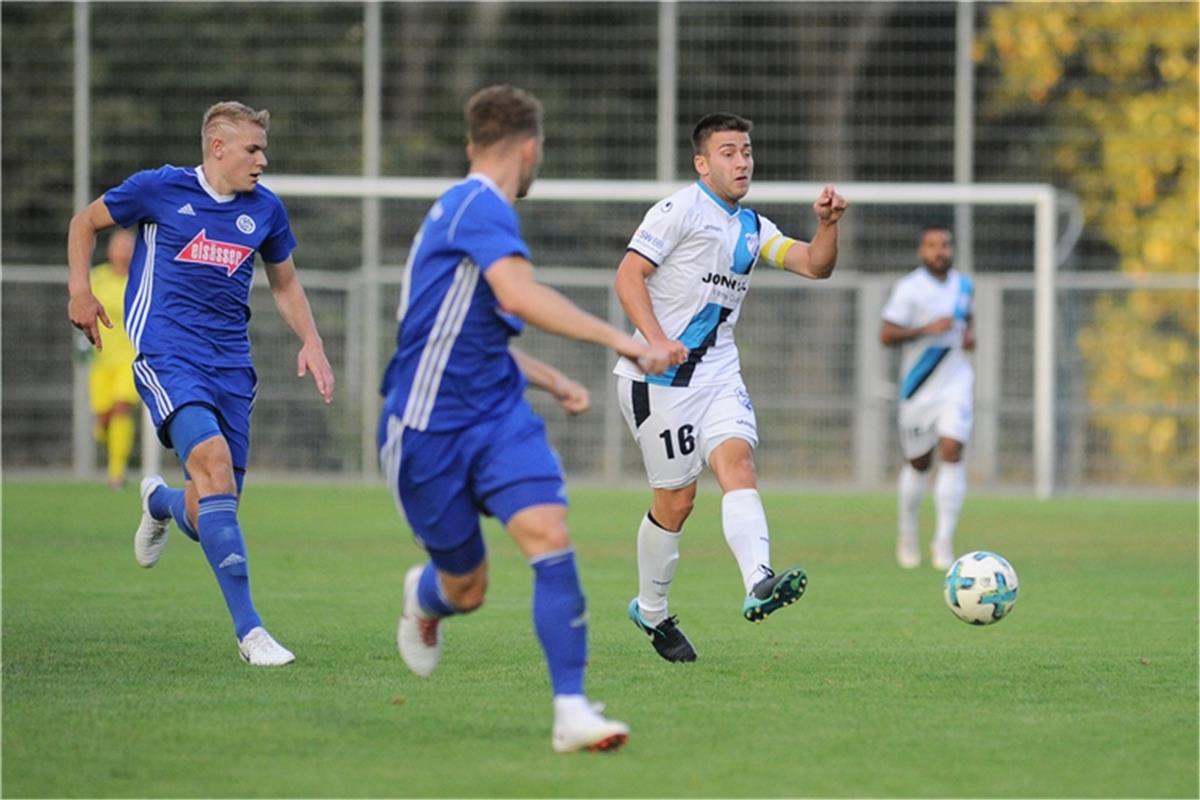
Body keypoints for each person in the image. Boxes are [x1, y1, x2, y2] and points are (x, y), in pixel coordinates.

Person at [378, 85, 675, 753]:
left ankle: (572, 712)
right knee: (468, 586)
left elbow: (477, 333)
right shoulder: (478, 205)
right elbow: (520, 295)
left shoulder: (479, 212)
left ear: (472, 143)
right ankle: (426, 599)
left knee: (549, 531)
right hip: (424, 430)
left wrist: (549, 378)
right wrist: (626, 341)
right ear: (531, 148)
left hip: (498, 419)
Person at [67, 101, 335, 666]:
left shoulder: (265, 210)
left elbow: (285, 285)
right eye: (252, 150)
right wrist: (79, 290)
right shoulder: (159, 189)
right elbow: (84, 223)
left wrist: (311, 341)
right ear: (218, 148)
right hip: (168, 357)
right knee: (211, 464)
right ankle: (251, 632)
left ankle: (161, 503)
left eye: (264, 149)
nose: (263, 159)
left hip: (232, 367)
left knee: (216, 500)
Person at [613, 112, 848, 663]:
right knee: (677, 502)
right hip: (659, 381)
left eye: (746, 151)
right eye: (728, 152)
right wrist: (652, 339)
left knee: (737, 462)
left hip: (717, 372)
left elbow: (815, 266)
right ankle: (650, 611)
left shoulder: (753, 228)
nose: (741, 161)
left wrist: (828, 225)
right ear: (702, 163)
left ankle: (758, 581)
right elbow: (628, 275)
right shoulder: (678, 211)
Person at [879, 224, 975, 571]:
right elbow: (886, 334)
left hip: (956, 383)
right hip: (919, 388)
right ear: (922, 251)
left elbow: (968, 322)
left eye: (946, 245)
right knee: (919, 463)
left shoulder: (964, 286)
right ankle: (907, 533)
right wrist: (926, 329)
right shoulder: (909, 289)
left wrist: (969, 338)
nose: (941, 252)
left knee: (952, 450)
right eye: (933, 246)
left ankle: (944, 542)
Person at [85, 228, 139, 489]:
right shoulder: (97, 279)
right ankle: (106, 438)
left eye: (128, 246)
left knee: (121, 408)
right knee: (103, 419)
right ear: (110, 250)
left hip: (132, 358)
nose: (123, 251)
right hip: (101, 359)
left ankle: (116, 472)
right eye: (119, 246)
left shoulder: (141, 279)